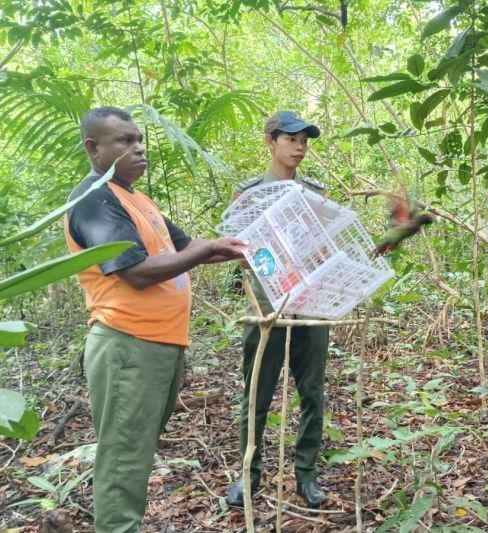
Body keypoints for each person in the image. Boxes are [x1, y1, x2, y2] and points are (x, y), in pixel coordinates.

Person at [64, 106, 247, 532]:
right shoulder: (94, 199)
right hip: (128, 344)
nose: (139, 148)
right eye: (124, 141)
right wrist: (204, 252)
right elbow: (136, 272)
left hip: (159, 344)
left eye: (139, 139)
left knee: (138, 447)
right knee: (125, 454)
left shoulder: (135, 199)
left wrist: (237, 249)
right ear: (93, 148)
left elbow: (186, 246)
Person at [226, 111, 329, 509]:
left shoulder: (315, 193)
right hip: (267, 307)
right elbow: (240, 252)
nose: (299, 147)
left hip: (311, 306)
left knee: (312, 394)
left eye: (304, 140)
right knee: (257, 393)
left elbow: (325, 244)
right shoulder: (250, 193)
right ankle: (249, 474)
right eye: (291, 139)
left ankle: (306, 475)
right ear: (271, 141)